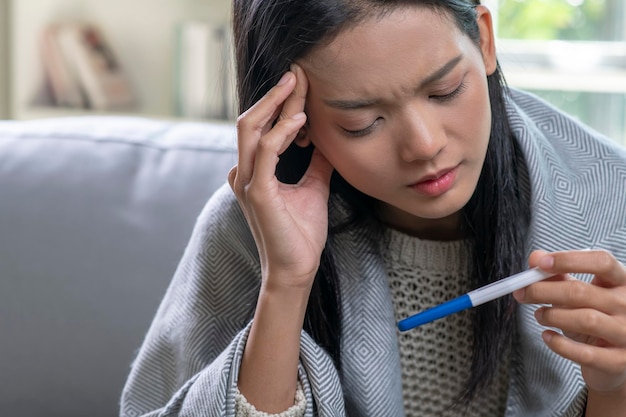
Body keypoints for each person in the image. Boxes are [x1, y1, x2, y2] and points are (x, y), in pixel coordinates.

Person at [120, 0, 626, 416]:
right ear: (295, 120)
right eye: (363, 123)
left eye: (445, 90)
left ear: (486, 41)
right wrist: (287, 283)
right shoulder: (248, 228)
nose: (425, 146)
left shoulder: (611, 198)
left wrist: (614, 385)